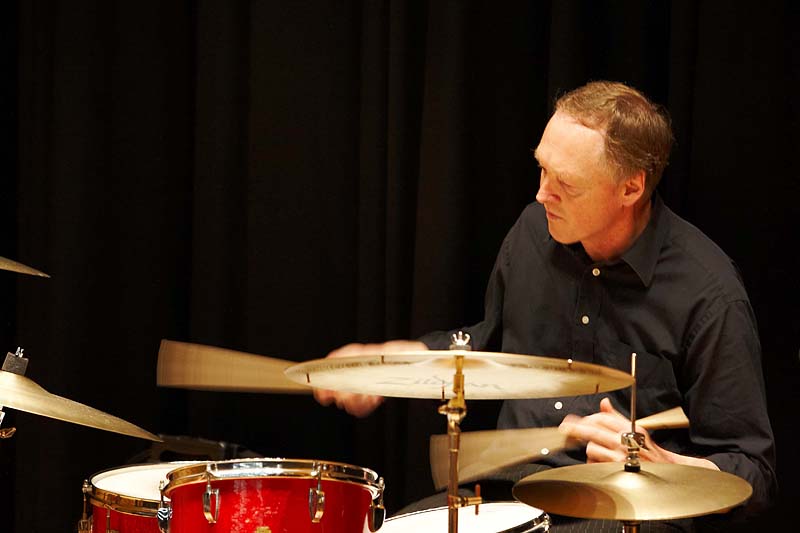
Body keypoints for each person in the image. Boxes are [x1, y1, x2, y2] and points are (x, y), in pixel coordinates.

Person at [314, 81, 777, 532]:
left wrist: (661, 465)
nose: (541, 194)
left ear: (631, 189)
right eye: (542, 169)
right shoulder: (533, 232)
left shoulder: (710, 293)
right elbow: (493, 345)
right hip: (512, 493)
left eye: (566, 183)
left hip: (623, 511)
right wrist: (396, 362)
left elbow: (753, 471)